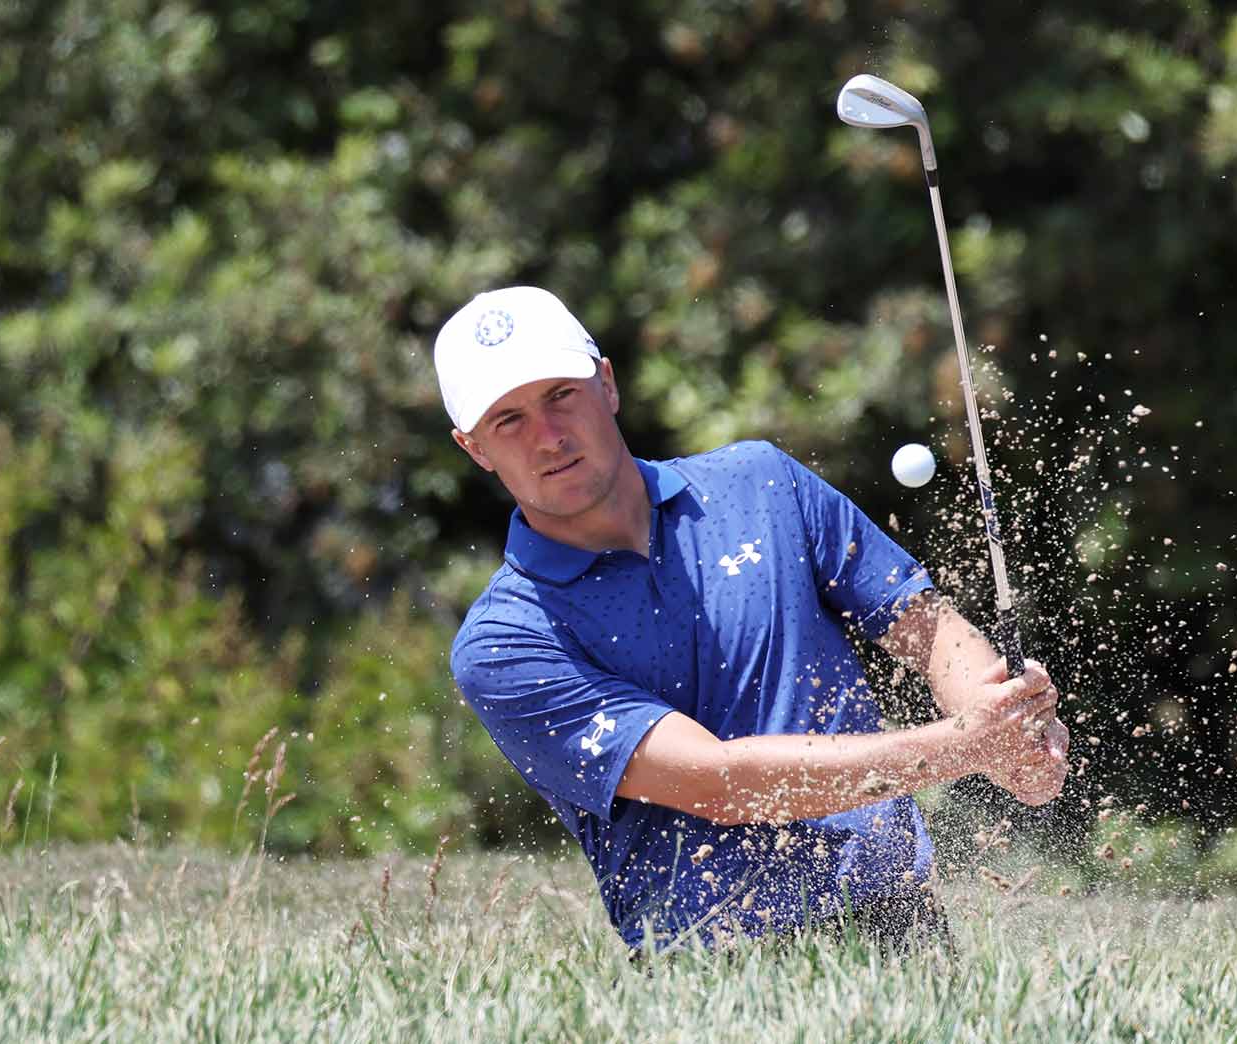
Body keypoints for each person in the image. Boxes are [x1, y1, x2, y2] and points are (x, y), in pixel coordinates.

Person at [436, 286, 1069, 956]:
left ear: (607, 383)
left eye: (561, 394)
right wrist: (963, 746)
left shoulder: (760, 483)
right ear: (474, 448)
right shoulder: (505, 642)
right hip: (716, 968)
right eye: (509, 420)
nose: (549, 437)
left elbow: (929, 629)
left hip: (902, 923)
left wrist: (1000, 716)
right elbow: (717, 782)